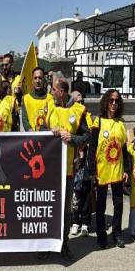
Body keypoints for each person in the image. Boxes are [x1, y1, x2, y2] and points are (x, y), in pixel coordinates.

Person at [45, 75, 90, 260]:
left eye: (54, 90)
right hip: (49, 171)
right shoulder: (49, 109)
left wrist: (72, 139)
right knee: (49, 208)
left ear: (61, 92)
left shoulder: (78, 111)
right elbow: (39, 133)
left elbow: (87, 136)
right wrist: (49, 132)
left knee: (65, 210)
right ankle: (47, 245)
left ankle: (64, 245)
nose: (51, 93)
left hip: (68, 171)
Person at [88, 89, 129, 249]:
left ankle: (117, 234)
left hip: (117, 169)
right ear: (106, 101)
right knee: (101, 205)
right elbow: (92, 148)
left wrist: (126, 169)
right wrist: (93, 171)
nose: (114, 103)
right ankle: (101, 235)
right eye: (111, 100)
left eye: (117, 101)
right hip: (102, 170)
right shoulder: (98, 122)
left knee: (118, 204)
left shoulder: (121, 123)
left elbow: (124, 149)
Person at [68, 91, 93, 237]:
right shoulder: (69, 115)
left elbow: (89, 137)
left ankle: (85, 223)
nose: (81, 104)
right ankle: (74, 222)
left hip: (86, 159)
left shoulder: (88, 117)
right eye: (78, 102)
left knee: (86, 192)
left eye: (82, 102)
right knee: (75, 193)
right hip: (74, 157)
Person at [21, 67, 51, 132]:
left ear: (44, 80)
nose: (37, 81)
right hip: (31, 136)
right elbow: (24, 120)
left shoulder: (50, 98)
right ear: (32, 81)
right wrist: (30, 131)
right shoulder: (26, 98)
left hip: (47, 136)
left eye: (40, 78)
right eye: (35, 78)